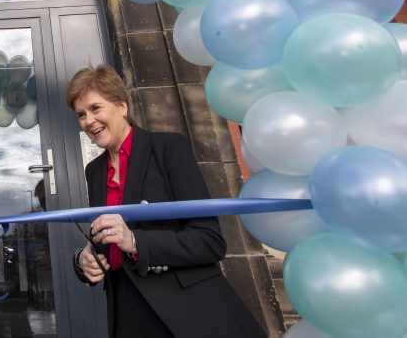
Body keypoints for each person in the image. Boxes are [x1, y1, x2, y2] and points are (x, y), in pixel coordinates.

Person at [68, 65, 266, 338]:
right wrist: (84, 260)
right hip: (125, 311)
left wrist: (135, 242)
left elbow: (210, 241)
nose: (88, 120)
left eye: (95, 108)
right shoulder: (94, 171)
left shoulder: (168, 149)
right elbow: (104, 240)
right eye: (81, 114)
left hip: (185, 310)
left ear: (122, 106)